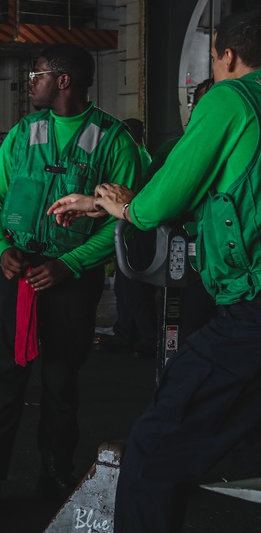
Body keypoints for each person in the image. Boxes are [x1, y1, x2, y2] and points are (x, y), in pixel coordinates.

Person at [47, 9, 261, 533]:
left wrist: (128, 209)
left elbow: (158, 202)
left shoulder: (230, 100)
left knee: (154, 449)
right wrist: (105, 205)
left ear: (227, 56)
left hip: (252, 310)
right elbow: (228, 199)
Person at [0, 43, 140, 514]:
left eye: (37, 74)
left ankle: (55, 471)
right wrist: (2, 250)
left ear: (63, 80)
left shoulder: (113, 140)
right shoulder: (23, 133)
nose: (30, 82)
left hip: (69, 280)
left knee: (62, 382)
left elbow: (122, 223)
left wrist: (71, 263)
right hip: (18, 275)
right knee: (5, 378)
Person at [106, 118, 157, 357]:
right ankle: (126, 335)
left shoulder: (134, 157)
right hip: (133, 232)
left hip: (136, 233)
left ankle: (144, 339)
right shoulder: (142, 155)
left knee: (133, 290)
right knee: (127, 289)